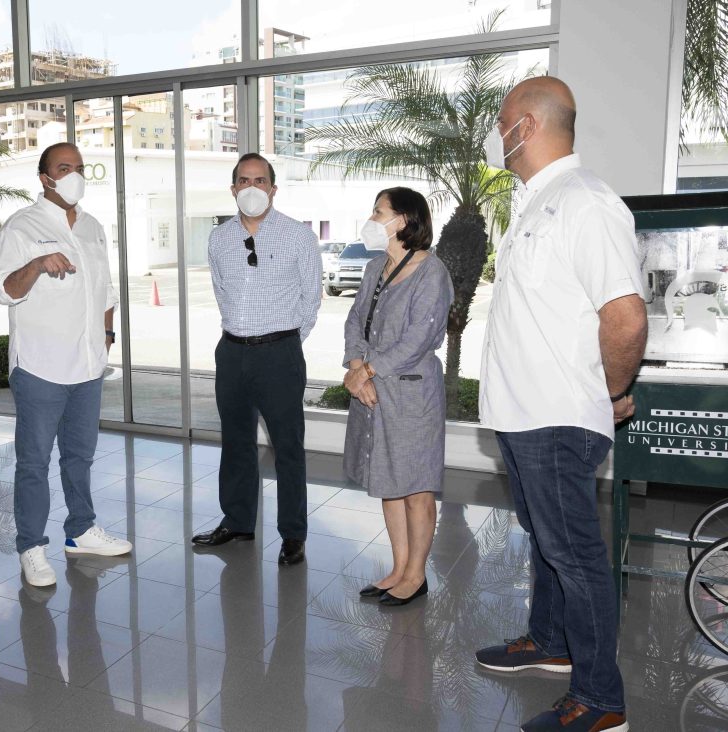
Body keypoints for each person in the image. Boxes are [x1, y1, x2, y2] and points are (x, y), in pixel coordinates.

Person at [476, 76, 646, 732]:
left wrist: (609, 394)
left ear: (526, 125)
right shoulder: (535, 202)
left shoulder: (585, 201)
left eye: (502, 123)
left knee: (574, 554)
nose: (498, 135)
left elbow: (625, 317)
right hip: (522, 413)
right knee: (547, 540)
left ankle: (602, 701)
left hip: (555, 416)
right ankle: (550, 641)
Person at [0, 142, 131, 589]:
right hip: (40, 367)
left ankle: (81, 530)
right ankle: (31, 546)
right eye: (64, 168)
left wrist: (106, 336)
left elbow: (105, 290)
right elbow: (2, 290)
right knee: (34, 462)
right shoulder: (22, 226)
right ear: (45, 177)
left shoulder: (92, 227)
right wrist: (35, 264)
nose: (74, 176)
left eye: (79, 168)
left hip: (87, 366)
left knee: (80, 457)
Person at [191, 153, 322, 566]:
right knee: (236, 442)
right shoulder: (219, 238)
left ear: (273, 188)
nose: (252, 188)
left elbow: (311, 299)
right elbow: (220, 290)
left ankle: (293, 534)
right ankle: (238, 521)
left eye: (260, 180)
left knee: (288, 447)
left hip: (279, 353)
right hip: (232, 352)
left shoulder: (298, 236)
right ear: (233, 189)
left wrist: (284, 342)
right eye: (244, 180)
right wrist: (241, 336)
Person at [342, 187, 453, 607]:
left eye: (378, 211)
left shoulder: (431, 273)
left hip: (412, 395)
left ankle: (416, 575)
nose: (371, 218)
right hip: (372, 391)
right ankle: (399, 568)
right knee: (389, 482)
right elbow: (355, 322)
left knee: (416, 488)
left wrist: (366, 371)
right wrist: (357, 369)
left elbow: (418, 339)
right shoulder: (376, 268)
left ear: (403, 220)